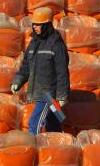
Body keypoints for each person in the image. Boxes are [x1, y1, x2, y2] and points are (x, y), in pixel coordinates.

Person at [10, 7, 70, 135]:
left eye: (39, 24)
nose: (35, 27)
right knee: (53, 124)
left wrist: (62, 96)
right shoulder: (34, 43)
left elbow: (62, 72)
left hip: (49, 95)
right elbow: (26, 66)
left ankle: (34, 149)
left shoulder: (56, 44)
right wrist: (18, 81)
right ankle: (56, 150)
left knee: (34, 122)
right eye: (34, 24)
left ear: (47, 25)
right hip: (39, 91)